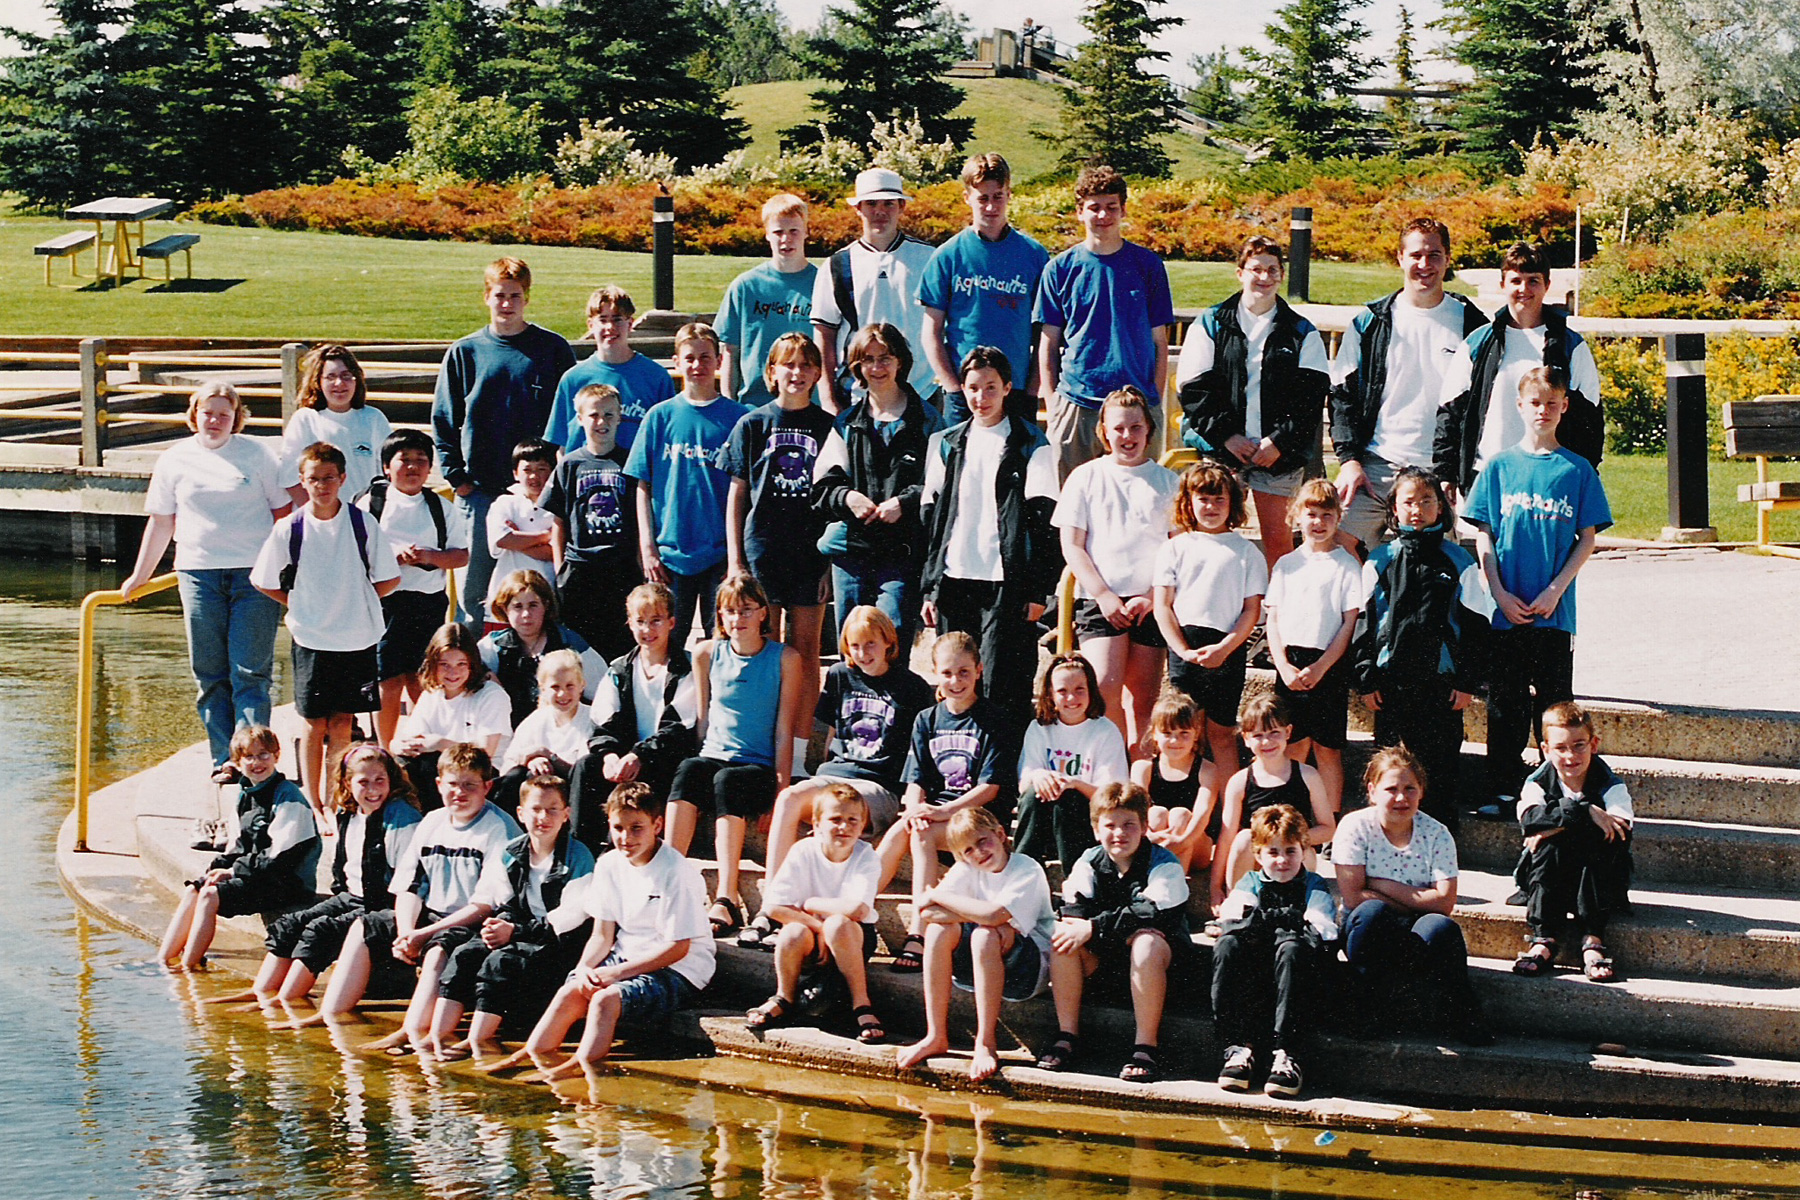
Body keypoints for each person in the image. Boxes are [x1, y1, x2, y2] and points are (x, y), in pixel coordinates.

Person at [120, 381, 290, 784]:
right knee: (210, 671)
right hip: (198, 573)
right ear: (194, 415)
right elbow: (162, 521)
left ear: (236, 418)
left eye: (224, 414)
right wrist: (139, 576)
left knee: (250, 671)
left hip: (255, 576)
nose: (215, 421)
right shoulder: (175, 459)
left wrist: (286, 569)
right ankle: (225, 759)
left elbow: (283, 513)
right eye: (208, 413)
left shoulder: (257, 454)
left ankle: (256, 756)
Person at [741, 605, 934, 950]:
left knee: (843, 811)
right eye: (855, 646)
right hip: (837, 776)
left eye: (871, 644)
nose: (863, 654)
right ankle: (772, 908)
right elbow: (831, 733)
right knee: (787, 798)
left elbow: (919, 750)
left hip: (878, 785)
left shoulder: (911, 687)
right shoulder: (839, 675)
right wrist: (824, 772)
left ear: (888, 642)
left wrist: (910, 795)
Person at [1464, 366, 1611, 807]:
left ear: (1564, 406)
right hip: (1507, 608)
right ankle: (1503, 787)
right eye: (1535, 403)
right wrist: (1499, 593)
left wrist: (1555, 591)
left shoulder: (1577, 469)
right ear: (1520, 407)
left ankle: (1557, 789)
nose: (1543, 411)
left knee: (1553, 703)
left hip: (1553, 610)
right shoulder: (1499, 466)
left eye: (1552, 403)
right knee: (1505, 701)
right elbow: (1483, 532)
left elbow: (1587, 538)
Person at [499, 782, 714, 1081]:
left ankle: (583, 1065)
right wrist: (585, 968)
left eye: (637, 828)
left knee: (604, 999)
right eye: (618, 828)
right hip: (628, 957)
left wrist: (615, 974)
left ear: (657, 825)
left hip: (679, 968)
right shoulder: (610, 863)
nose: (626, 838)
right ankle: (533, 1051)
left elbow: (678, 948)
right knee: (572, 989)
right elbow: (602, 935)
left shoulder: (676, 871)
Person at [322, 743, 522, 1046]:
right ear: (439, 784)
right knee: (365, 926)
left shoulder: (499, 829)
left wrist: (423, 934)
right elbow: (408, 886)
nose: (460, 792)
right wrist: (405, 932)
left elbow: (484, 904)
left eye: (470, 785)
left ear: (488, 787)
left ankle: (411, 1031)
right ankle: (333, 1015)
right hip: (429, 917)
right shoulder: (432, 821)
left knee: (438, 950)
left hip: (471, 922)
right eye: (453, 784)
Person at [251, 441, 402, 818]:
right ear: (303, 482)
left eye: (329, 478)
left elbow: (388, 579)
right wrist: (301, 604)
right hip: (312, 639)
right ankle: (313, 801)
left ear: (343, 479)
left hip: (358, 637)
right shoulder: (290, 528)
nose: (322, 486)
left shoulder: (361, 522)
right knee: (313, 722)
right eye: (314, 479)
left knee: (342, 722)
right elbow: (263, 580)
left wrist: (357, 601)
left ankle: (338, 799)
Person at [920, 346, 1061, 727]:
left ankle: (1001, 777)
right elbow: (932, 520)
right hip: (954, 581)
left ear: (1008, 388)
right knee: (957, 681)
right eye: (972, 388)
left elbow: (1049, 525)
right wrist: (931, 587)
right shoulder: (945, 443)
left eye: (990, 388)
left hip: (1006, 586)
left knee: (1002, 684)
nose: (981, 398)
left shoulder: (1031, 443)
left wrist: (1038, 592)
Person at [432, 257, 576, 627]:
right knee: (474, 596)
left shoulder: (552, 350)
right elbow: (445, 420)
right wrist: (457, 478)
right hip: (481, 489)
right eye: (500, 295)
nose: (507, 303)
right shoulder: (465, 352)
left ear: (526, 298)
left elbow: (570, 417)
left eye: (515, 295)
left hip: (540, 490)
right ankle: (474, 673)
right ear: (487, 297)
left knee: (544, 590)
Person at [1329, 218, 1487, 548]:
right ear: (1400, 258)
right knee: (1335, 548)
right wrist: (1349, 462)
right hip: (1377, 466)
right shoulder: (1370, 323)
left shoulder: (1473, 325)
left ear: (1448, 258)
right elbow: (1343, 398)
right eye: (1416, 255)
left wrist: (1458, 474)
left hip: (1439, 472)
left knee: (1435, 572)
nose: (1424, 265)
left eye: (1434, 255)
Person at [1176, 235, 1331, 569]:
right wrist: (1227, 436)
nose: (1264, 277)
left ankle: (1279, 614)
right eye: (1256, 269)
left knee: (1279, 540)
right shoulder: (1212, 323)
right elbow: (1193, 388)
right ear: (1240, 273)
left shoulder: (1301, 331)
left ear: (1281, 275)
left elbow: (1311, 397)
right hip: (1222, 451)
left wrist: (1277, 442)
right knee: (1214, 535)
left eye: (1272, 270)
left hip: (1278, 456)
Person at [1351, 466, 1488, 828]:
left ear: (1440, 508)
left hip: (1441, 685)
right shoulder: (1380, 560)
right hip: (1391, 684)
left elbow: (1476, 625)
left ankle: (1440, 842)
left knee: (1440, 766)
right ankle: (1387, 838)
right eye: (1408, 501)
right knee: (1391, 765)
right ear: (1394, 509)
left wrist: (1467, 681)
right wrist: (1366, 679)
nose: (1417, 509)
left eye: (1427, 501)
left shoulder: (1459, 561)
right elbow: (1363, 625)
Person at [239, 743, 420, 1019]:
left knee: (321, 930)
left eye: (379, 781)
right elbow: (344, 865)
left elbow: (407, 879)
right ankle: (263, 991)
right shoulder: (348, 812)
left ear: (391, 780)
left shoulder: (401, 818)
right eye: (363, 782)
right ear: (348, 783)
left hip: (383, 902)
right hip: (352, 895)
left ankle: (288, 999)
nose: (372, 790)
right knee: (290, 924)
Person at [425, 773, 596, 1061]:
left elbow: (569, 918)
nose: (544, 817)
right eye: (536, 809)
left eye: (553, 810)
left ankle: (477, 1039)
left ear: (566, 814)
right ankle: (438, 1035)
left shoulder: (579, 858)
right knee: (466, 953)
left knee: (500, 961)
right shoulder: (510, 852)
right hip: (520, 930)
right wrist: (496, 927)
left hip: (558, 945)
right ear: (521, 813)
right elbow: (498, 897)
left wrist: (513, 932)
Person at [668, 573, 803, 934]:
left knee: (727, 781)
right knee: (688, 770)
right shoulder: (706, 653)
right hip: (713, 756)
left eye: (746, 610)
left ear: (762, 613)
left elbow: (783, 730)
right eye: (729, 611)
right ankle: (666, 881)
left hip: (754, 765)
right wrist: (698, 758)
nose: (737, 618)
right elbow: (702, 720)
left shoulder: (785, 658)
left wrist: (780, 793)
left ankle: (726, 898)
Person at [1037, 781, 1191, 1084]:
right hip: (1107, 966)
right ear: (1096, 829)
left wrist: (1093, 927)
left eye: (1129, 825)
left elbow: (1146, 912)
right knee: (1065, 936)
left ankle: (1146, 1046)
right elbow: (1074, 907)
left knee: (1146, 939)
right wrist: (1082, 926)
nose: (1119, 833)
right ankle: (1068, 1035)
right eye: (1110, 825)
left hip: (1162, 971)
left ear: (1145, 826)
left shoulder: (1165, 865)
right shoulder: (1089, 861)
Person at [1055, 386, 1181, 751]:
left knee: (1142, 700)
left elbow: (1177, 551)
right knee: (1105, 690)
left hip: (1150, 602)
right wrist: (1104, 595)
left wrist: (1151, 597)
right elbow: (1073, 546)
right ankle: (1111, 775)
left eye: (1136, 427)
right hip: (1101, 600)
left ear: (1149, 430)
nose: (1128, 436)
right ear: (1104, 432)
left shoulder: (1167, 482)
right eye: (1119, 429)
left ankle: (1136, 778)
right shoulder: (1086, 477)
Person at [1335, 746, 1489, 1044]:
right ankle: (1366, 1008)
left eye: (1410, 789)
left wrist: (1380, 884)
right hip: (1367, 930)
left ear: (1422, 791)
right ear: (1372, 790)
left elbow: (1445, 903)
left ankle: (1459, 1012)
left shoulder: (1437, 833)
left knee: (1440, 927)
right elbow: (1354, 898)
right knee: (1372, 914)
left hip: (1417, 931)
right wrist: (1417, 900)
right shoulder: (1354, 827)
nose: (1401, 798)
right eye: (1391, 789)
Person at [720, 332, 834, 725]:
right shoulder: (752, 424)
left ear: (818, 372)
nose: (797, 373)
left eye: (805, 365)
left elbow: (837, 499)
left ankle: (800, 744)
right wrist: (736, 560)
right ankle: (764, 733)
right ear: (771, 371)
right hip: (762, 551)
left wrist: (829, 566)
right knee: (762, 646)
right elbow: (737, 496)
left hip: (810, 553)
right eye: (788, 364)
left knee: (805, 649)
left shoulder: (829, 427)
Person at [810, 323, 946, 653]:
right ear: (857, 367)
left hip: (902, 552)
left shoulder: (928, 421)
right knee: (853, 645)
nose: (877, 367)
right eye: (867, 360)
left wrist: (906, 502)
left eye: (884, 357)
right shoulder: (847, 423)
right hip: (853, 551)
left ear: (900, 361)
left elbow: (941, 485)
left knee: (892, 638)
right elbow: (823, 484)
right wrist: (849, 497)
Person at [894, 805, 1054, 1084]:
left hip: (1027, 972)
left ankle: (985, 1042)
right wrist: (967, 909)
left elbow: (993, 915)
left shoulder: (1026, 868)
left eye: (982, 841)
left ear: (1001, 833)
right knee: (937, 932)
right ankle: (935, 1035)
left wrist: (938, 894)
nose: (978, 853)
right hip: (977, 970)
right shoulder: (968, 868)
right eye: (967, 850)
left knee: (985, 933)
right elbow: (927, 912)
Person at [1035, 163, 1175, 482]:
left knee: (1139, 503)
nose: (1103, 215)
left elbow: (1159, 342)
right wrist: (1054, 403)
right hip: (1077, 402)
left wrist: (1152, 399)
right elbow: (1049, 344)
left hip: (1136, 405)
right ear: (1079, 212)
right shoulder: (1059, 269)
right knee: (1073, 503)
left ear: (1123, 210)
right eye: (1094, 208)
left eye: (1111, 207)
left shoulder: (1148, 266)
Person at [882, 631, 1011, 973]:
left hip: (976, 817)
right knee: (903, 829)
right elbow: (916, 779)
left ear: (979, 670)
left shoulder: (992, 718)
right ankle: (856, 905)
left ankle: (918, 932)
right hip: (937, 815)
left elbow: (990, 788)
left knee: (920, 833)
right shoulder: (926, 719)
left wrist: (939, 811)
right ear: (936, 673)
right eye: (948, 673)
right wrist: (913, 808)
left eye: (964, 672)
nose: (956, 681)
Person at [1434, 242, 1604, 500]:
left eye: (1533, 281)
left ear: (1547, 285)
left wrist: (1582, 476)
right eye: (1516, 281)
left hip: (1550, 479)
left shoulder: (1571, 346)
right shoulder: (1477, 343)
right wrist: (1446, 473)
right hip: (1487, 475)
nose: (1524, 289)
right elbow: (1450, 412)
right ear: (1503, 285)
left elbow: (1590, 419)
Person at [158, 725, 319, 971]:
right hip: (258, 875)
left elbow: (278, 858)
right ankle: (163, 960)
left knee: (211, 896)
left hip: (287, 882)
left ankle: (189, 967)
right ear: (237, 762)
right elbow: (237, 847)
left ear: (277, 755)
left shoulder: (289, 798)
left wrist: (233, 872)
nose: (257, 762)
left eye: (264, 754)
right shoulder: (246, 793)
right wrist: (216, 869)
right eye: (249, 757)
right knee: (197, 889)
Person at [626, 322, 749, 641]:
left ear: (720, 361)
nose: (698, 366)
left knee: (721, 641)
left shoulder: (738, 418)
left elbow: (746, 490)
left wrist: (737, 557)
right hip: (670, 555)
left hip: (719, 555)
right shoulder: (659, 417)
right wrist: (648, 547)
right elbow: (643, 486)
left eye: (706, 357)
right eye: (690, 358)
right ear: (677, 362)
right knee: (667, 643)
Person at [744, 782, 888, 1043]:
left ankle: (862, 1005)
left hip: (852, 935)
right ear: (817, 822)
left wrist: (810, 903)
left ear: (863, 823)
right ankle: (783, 997)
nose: (844, 827)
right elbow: (774, 906)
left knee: (838, 925)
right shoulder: (803, 850)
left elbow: (856, 909)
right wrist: (819, 929)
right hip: (813, 932)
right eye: (835, 819)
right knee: (792, 932)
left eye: (852, 820)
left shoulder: (866, 856)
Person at [1211, 803, 1338, 1098]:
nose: (1282, 860)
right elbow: (1233, 918)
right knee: (1228, 944)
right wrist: (1283, 922)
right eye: (1273, 852)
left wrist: (1272, 925)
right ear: (1258, 855)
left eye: (1291, 851)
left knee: (1293, 947)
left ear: (1304, 851)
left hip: (1296, 974)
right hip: (1257, 974)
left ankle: (1287, 1054)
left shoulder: (1313, 886)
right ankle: (1238, 1047)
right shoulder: (1251, 882)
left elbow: (1321, 930)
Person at [1152, 460, 1267, 781]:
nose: (1211, 507)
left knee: (1221, 734)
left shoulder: (1246, 552)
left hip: (1226, 650)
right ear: (1188, 502)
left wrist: (1226, 648)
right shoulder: (1174, 548)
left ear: (1232, 503)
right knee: (1185, 731)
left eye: (1220, 499)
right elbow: (1163, 606)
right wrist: (1183, 651)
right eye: (1203, 498)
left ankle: (1226, 812)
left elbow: (1251, 611)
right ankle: (1186, 800)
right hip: (1184, 649)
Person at [918, 152, 1049, 425]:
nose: (991, 207)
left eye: (998, 196)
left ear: (1009, 195)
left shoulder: (1034, 256)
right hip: (967, 392)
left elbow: (1045, 333)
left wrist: (1034, 387)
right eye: (983, 198)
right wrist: (953, 387)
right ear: (967, 198)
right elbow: (931, 333)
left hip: (1016, 390)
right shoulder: (948, 256)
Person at [571, 582, 700, 855]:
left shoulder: (685, 668)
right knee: (586, 767)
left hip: (662, 759)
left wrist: (638, 755)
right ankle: (581, 855)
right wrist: (609, 755)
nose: (648, 630)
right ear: (629, 623)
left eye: (656, 621)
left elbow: (678, 727)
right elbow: (602, 721)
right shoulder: (619, 669)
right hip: (625, 759)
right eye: (640, 622)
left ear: (671, 623)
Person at [359, 428, 469, 748]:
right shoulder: (371, 504)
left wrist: (429, 557)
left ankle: (422, 746)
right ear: (385, 467)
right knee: (388, 681)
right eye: (403, 460)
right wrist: (394, 560)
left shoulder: (440, 506)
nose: (412, 467)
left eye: (421, 460)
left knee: (422, 680)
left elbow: (460, 556)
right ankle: (388, 748)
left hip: (428, 602)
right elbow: (356, 556)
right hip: (385, 602)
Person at [1510, 701, 1633, 982]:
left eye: (1579, 745)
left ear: (1594, 744)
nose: (1570, 756)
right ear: (1545, 750)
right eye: (1560, 748)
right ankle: (1544, 938)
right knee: (1546, 844)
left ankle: (1593, 938)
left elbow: (1620, 831)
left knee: (1601, 842)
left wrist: (1556, 824)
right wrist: (1584, 810)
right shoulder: (1537, 782)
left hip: (1597, 879)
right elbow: (1529, 821)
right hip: (1549, 874)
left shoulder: (1611, 785)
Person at [1264, 479, 1362, 815]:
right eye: (1311, 514)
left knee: (1327, 748)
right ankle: (1288, 814)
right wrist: (1283, 666)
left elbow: (1348, 623)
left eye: (1326, 515)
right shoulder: (1286, 564)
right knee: (1291, 745)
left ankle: (1330, 820)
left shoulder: (1347, 565)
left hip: (1327, 665)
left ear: (1338, 518)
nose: (1318, 522)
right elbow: (1273, 620)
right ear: (1297, 516)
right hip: (1290, 664)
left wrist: (1321, 668)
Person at [811, 167, 938, 410]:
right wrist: (828, 398)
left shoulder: (928, 258)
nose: (880, 211)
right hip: (856, 397)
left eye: (888, 204)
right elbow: (824, 335)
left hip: (920, 394)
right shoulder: (837, 265)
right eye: (871, 203)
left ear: (902, 206)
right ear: (858, 208)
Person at [540, 384, 639, 661]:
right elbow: (558, 522)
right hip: (581, 570)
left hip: (621, 567)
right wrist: (561, 568)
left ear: (620, 417)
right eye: (594, 415)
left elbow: (642, 517)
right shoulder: (570, 464)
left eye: (609, 415)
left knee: (622, 646)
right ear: (580, 419)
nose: (602, 422)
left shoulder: (630, 462)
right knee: (579, 647)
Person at [1209, 695, 1334, 909]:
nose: (1266, 742)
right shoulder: (1240, 781)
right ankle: (1239, 907)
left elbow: (1328, 828)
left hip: (1291, 857)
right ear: (1246, 739)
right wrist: (1214, 887)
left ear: (1288, 732)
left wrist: (1286, 840)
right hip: (1256, 858)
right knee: (1243, 838)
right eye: (1258, 735)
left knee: (1308, 853)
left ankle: (1295, 908)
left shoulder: (1307, 775)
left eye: (1274, 733)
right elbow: (1227, 836)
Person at [1014, 651, 1130, 874]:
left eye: (1079, 690)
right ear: (1050, 695)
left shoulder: (1105, 731)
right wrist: (1039, 775)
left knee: (1067, 797)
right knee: (1033, 793)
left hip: (1083, 825)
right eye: (1062, 691)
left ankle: (1076, 883)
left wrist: (1074, 783)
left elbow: (1113, 795)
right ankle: (1023, 874)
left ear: (1091, 691)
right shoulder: (1039, 729)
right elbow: (1023, 783)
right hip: (1043, 824)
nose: (1071, 698)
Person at [391, 623, 514, 810]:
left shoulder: (491, 694)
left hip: (483, 775)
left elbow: (485, 753)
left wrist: (442, 744)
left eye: (461, 664)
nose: (453, 672)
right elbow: (411, 739)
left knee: (431, 763)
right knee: (401, 765)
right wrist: (397, 745)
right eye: (444, 665)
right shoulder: (432, 694)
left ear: (472, 664)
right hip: (443, 773)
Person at [544, 285, 676, 453]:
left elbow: (667, 439)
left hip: (635, 476)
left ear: (630, 323)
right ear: (591, 325)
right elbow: (562, 445)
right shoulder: (573, 379)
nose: (610, 327)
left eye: (617, 319)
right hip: (586, 476)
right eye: (603, 319)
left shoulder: (656, 377)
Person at [718, 194, 819, 407]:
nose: (786, 239)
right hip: (754, 406)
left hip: (811, 407)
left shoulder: (823, 284)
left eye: (793, 231)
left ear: (806, 232)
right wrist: (728, 406)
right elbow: (730, 352)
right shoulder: (745, 287)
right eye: (778, 232)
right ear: (767, 235)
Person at [478, 570, 603, 728]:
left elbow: (601, 698)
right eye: (517, 606)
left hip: (566, 731)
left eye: (533, 605)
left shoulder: (570, 644)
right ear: (505, 609)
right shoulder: (493, 647)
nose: (526, 614)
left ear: (546, 605)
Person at [279, 343, 393, 503]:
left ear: (356, 380)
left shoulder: (374, 418)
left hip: (364, 516)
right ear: (318, 382)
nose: (339, 383)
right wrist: (319, 513)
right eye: (331, 377)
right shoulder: (305, 419)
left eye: (346, 376)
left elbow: (389, 472)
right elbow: (289, 478)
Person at [495, 650, 595, 810]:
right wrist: (530, 761)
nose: (563, 694)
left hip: (572, 799)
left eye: (570, 686)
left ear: (582, 685)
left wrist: (548, 755)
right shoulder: (535, 721)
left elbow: (583, 776)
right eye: (555, 687)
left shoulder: (592, 719)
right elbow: (507, 768)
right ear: (542, 687)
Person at [1134, 690, 1221, 874]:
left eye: (1184, 733)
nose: (1175, 740)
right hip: (1152, 840)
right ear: (1155, 734)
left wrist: (1181, 842)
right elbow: (1136, 812)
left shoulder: (1207, 770)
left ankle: (1174, 887)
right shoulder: (1143, 769)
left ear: (1196, 733)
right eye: (1167, 733)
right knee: (1156, 814)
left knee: (1180, 815)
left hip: (1194, 841)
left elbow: (1202, 814)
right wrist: (1150, 836)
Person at [483, 437, 559, 617]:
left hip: (547, 594)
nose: (534, 476)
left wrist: (518, 539)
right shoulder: (505, 503)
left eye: (542, 469)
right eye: (527, 470)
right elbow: (502, 540)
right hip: (506, 594)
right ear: (516, 473)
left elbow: (555, 552)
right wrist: (546, 536)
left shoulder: (558, 507)